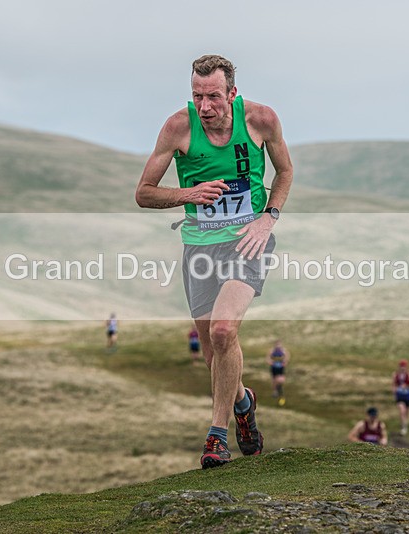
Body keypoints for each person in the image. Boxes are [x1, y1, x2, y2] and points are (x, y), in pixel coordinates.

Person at [135, 54, 293, 469]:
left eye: (213, 97)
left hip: (247, 242)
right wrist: (189, 194)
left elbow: (284, 172)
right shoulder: (178, 128)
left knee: (224, 331)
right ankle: (243, 402)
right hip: (200, 247)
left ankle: (216, 437)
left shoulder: (261, 120)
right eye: (197, 96)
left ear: (232, 93)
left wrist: (268, 218)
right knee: (214, 355)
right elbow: (144, 192)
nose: (204, 106)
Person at [392, 359, 409, 436]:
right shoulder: (395, 374)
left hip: (407, 396)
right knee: (401, 409)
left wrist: (407, 386)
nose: (402, 368)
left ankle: (404, 425)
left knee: (406, 412)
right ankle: (403, 427)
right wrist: (394, 391)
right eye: (401, 366)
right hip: (399, 396)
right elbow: (393, 384)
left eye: (404, 366)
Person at [266, 339, 290, 406]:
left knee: (281, 379)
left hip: (281, 367)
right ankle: (275, 391)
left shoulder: (283, 350)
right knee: (274, 380)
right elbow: (268, 358)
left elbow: (287, 356)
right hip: (274, 368)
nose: (278, 346)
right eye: (277, 344)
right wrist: (270, 362)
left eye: (279, 344)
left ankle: (279, 387)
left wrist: (285, 362)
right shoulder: (272, 351)